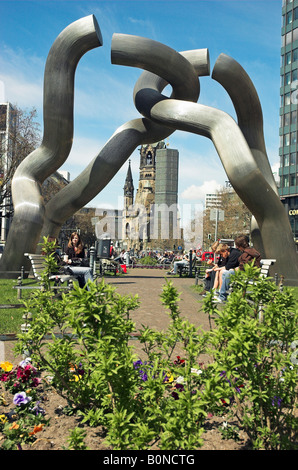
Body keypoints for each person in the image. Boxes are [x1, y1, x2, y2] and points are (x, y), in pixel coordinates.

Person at [214, 235, 261, 303]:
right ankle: (224, 295)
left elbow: (244, 267)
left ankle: (222, 297)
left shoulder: (247, 253)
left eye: (238, 246)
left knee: (228, 274)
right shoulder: (249, 251)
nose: (237, 247)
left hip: (248, 276)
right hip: (246, 274)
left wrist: (235, 269)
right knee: (225, 273)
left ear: (241, 246)